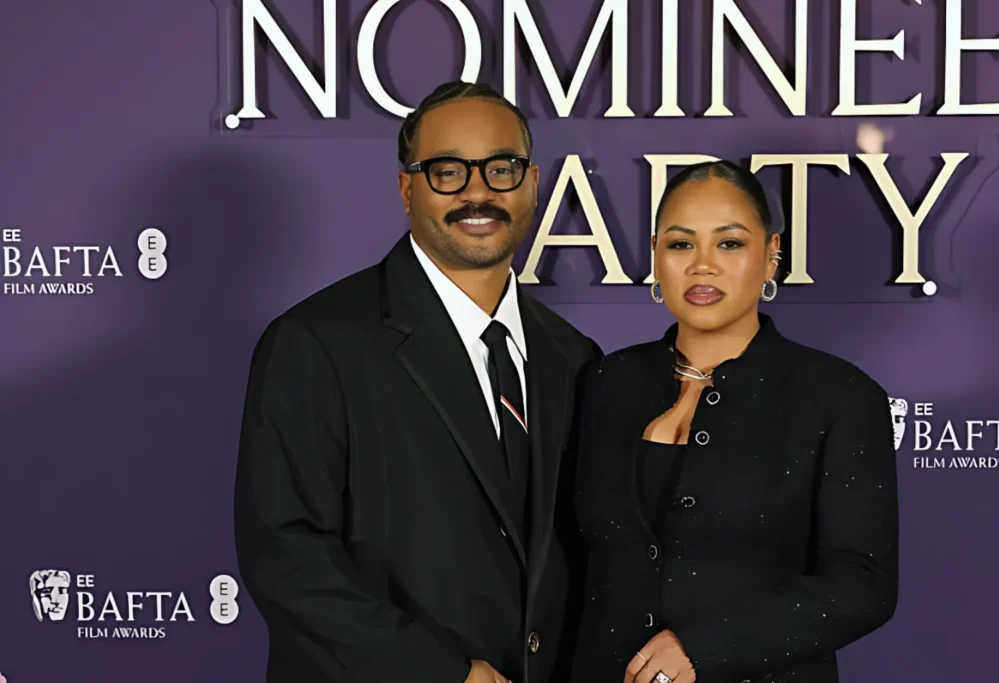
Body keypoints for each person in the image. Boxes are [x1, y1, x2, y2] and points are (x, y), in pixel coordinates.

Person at [233, 80, 601, 683]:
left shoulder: (573, 356)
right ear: (408, 188)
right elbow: (287, 555)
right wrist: (445, 672)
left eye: (501, 168)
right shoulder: (316, 343)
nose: (478, 191)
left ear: (532, 184)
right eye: (448, 171)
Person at [568, 161, 898, 683]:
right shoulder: (604, 383)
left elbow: (863, 585)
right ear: (656, 254)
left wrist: (703, 648)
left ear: (771, 256)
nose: (702, 266)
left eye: (729, 244)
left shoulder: (839, 397)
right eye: (680, 245)